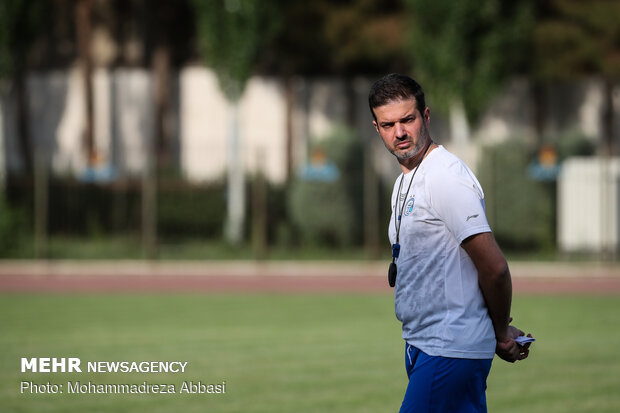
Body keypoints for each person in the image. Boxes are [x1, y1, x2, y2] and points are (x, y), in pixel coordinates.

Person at [368, 73, 532, 413]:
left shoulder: (445, 176)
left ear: (426, 117)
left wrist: (500, 332)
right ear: (376, 128)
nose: (399, 132)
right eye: (388, 124)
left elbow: (495, 268)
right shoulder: (406, 181)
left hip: (449, 348)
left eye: (407, 120)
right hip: (424, 345)